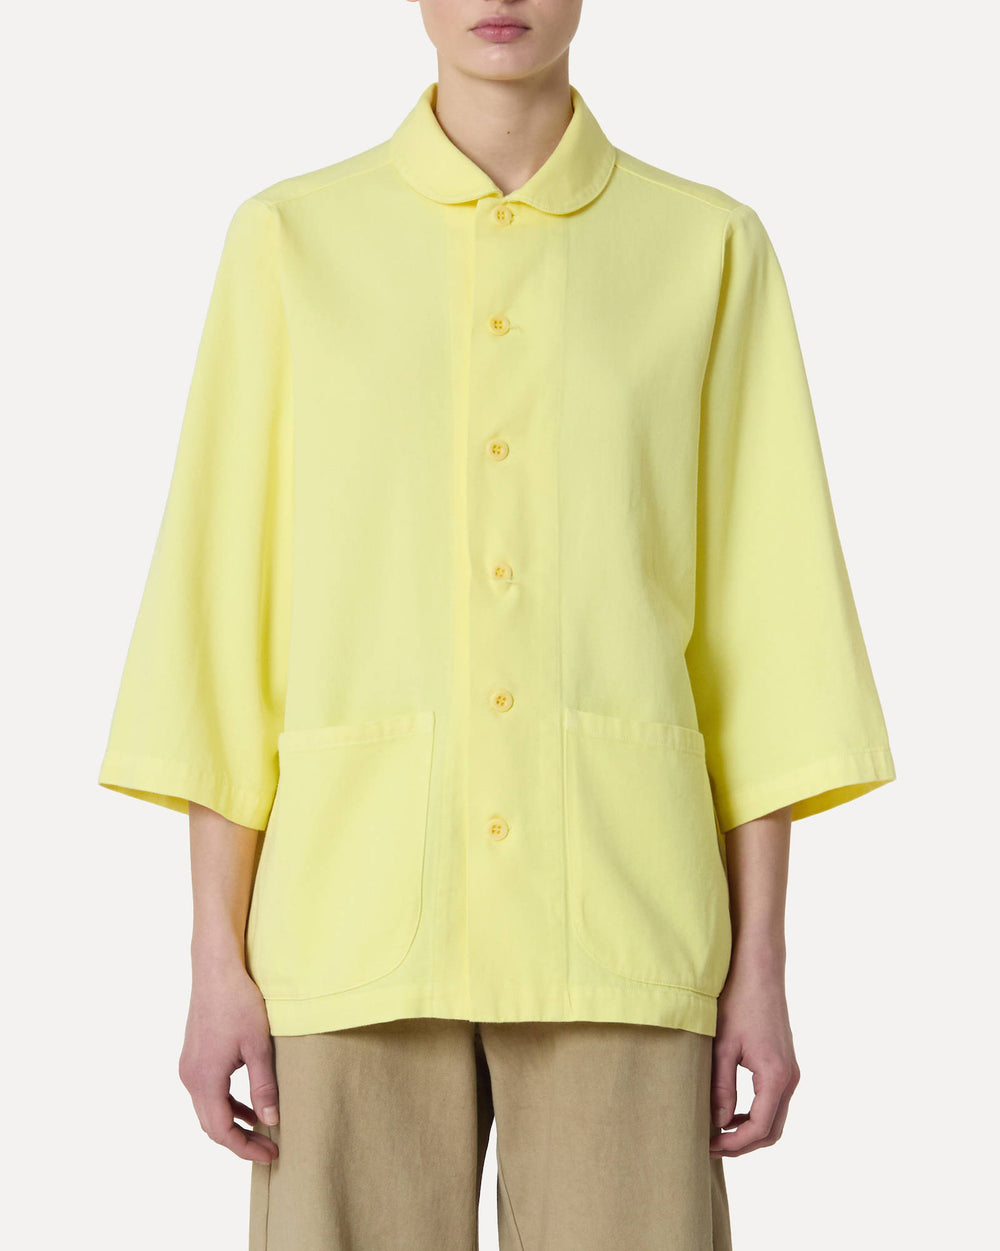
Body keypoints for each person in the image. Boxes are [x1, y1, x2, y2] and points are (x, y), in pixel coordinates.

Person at [97, 2, 897, 1247]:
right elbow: (222, 616)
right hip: (349, 908)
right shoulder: (290, 242)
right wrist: (214, 963)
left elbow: (766, 635)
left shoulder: (707, 248)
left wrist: (761, 970)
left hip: (624, 910)